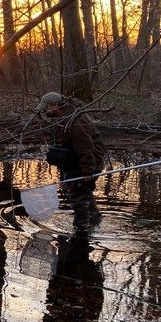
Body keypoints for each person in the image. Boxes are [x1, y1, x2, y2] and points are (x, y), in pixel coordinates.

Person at [36, 92, 106, 225]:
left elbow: (86, 148)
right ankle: (95, 219)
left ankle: (81, 231)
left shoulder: (75, 121)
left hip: (85, 164)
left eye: (46, 108)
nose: (44, 111)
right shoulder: (64, 118)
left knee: (78, 199)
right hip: (75, 162)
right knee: (84, 194)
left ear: (55, 106)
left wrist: (87, 172)